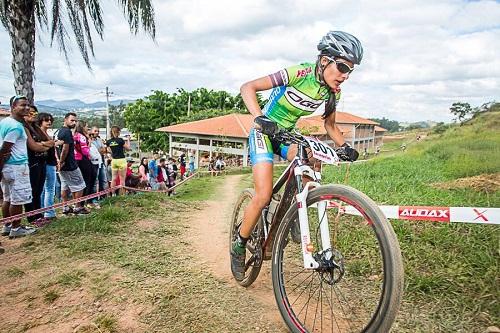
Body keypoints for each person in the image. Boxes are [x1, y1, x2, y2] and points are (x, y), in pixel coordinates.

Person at [230, 31, 362, 280]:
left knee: (312, 157)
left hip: (286, 134)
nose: (345, 75)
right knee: (263, 194)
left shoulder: (332, 92)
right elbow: (248, 87)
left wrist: (345, 146)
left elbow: (330, 126)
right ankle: (239, 245)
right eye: (342, 67)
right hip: (264, 132)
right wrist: (260, 118)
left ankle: (294, 212)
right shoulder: (299, 73)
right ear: (324, 61)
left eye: (350, 71)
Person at [0, 95, 36, 238]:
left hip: (7, 167)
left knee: (7, 198)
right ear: (13, 107)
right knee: (17, 199)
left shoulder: (4, 122)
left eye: (28, 105)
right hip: (16, 166)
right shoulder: (15, 126)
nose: (27, 108)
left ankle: (7, 226)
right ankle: (16, 228)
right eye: (22, 105)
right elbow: (5, 148)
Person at [23, 105, 54, 224]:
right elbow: (34, 146)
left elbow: (50, 142)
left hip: (42, 162)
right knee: (32, 190)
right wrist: (43, 145)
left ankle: (39, 215)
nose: (33, 115)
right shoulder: (24, 127)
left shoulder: (36, 127)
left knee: (39, 190)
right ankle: (32, 218)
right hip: (32, 162)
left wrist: (42, 144)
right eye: (30, 113)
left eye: (35, 113)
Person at [57, 112, 89, 215]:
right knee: (80, 185)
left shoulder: (60, 131)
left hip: (63, 165)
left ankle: (65, 207)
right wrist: (61, 161)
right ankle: (77, 208)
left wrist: (59, 162)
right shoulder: (66, 132)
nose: (74, 122)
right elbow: (65, 149)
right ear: (65, 120)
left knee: (65, 186)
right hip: (70, 165)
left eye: (75, 121)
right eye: (72, 120)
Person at [38, 112, 59, 221]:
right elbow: (40, 146)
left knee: (44, 189)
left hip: (49, 162)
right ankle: (49, 212)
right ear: (41, 121)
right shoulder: (40, 134)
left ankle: (42, 211)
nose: (49, 122)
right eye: (46, 120)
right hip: (47, 163)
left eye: (50, 120)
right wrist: (52, 143)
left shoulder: (45, 134)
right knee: (50, 189)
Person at [74, 121, 95, 206]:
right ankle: (82, 204)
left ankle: (80, 203)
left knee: (81, 182)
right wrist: (89, 144)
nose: (88, 128)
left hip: (77, 160)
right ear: (82, 127)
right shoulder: (81, 136)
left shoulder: (74, 135)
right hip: (83, 160)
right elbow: (85, 151)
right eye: (87, 126)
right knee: (87, 181)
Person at [106, 126, 130, 195]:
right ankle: (122, 195)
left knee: (113, 179)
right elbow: (128, 148)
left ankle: (113, 194)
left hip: (114, 160)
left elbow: (108, 150)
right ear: (118, 132)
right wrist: (128, 139)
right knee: (122, 179)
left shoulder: (109, 141)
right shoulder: (120, 140)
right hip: (121, 160)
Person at [90, 127, 108, 199]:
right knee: (95, 182)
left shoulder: (99, 140)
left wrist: (100, 150)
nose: (97, 132)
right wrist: (99, 150)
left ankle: (103, 197)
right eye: (95, 131)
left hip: (101, 162)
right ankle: (93, 199)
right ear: (91, 131)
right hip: (94, 163)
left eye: (98, 131)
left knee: (103, 180)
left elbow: (104, 150)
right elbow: (95, 151)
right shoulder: (89, 141)